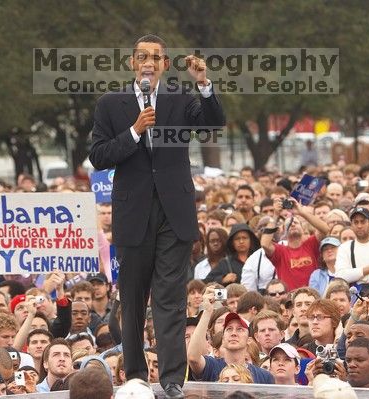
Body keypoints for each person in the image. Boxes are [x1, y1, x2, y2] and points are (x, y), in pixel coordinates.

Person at [89, 33, 225, 399]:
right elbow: (99, 155)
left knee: (169, 298)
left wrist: (204, 84)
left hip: (174, 212)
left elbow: (211, 125)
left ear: (165, 64)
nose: (148, 62)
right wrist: (134, 131)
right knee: (132, 299)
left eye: (156, 57)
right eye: (142, 57)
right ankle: (134, 376)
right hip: (132, 214)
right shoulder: (111, 104)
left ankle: (171, 379)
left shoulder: (180, 98)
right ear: (133, 63)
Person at [334, 207, 369, 289]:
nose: (359, 226)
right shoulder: (345, 248)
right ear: (351, 225)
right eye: (356, 222)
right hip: (356, 296)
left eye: (363, 222)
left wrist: (357, 277)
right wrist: (367, 269)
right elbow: (340, 276)